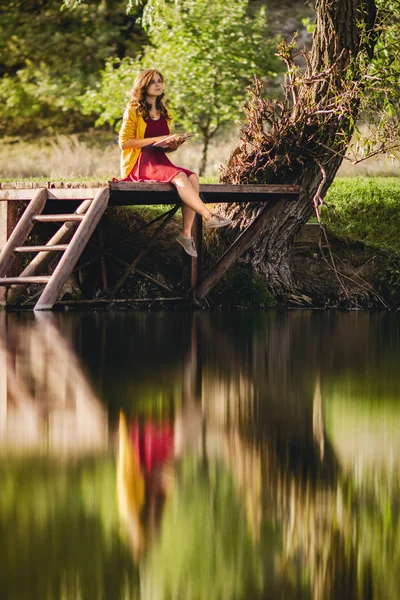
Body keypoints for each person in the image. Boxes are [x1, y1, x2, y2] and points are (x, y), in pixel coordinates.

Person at [118, 69, 232, 258]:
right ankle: (209, 216)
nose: (158, 84)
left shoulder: (165, 112)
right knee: (179, 176)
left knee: (193, 178)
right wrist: (160, 138)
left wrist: (173, 144)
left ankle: (185, 235)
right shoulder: (133, 109)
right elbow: (124, 143)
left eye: (160, 81)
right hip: (141, 162)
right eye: (153, 81)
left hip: (159, 159)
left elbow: (162, 147)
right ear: (143, 85)